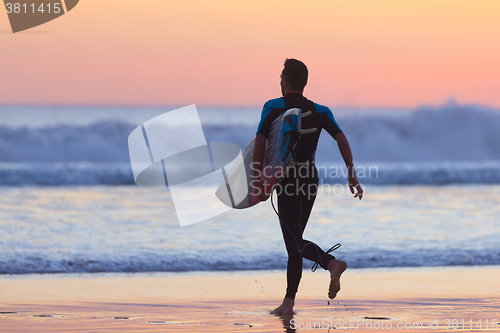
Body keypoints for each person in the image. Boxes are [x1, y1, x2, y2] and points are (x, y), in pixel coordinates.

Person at [251, 59, 363, 316]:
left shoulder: (273, 106)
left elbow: (260, 141)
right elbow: (341, 138)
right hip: (310, 178)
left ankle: (329, 265)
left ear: (285, 80)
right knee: (295, 242)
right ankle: (290, 302)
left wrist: (258, 176)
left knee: (294, 244)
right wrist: (351, 173)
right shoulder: (321, 111)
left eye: (281, 78)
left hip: (288, 179)